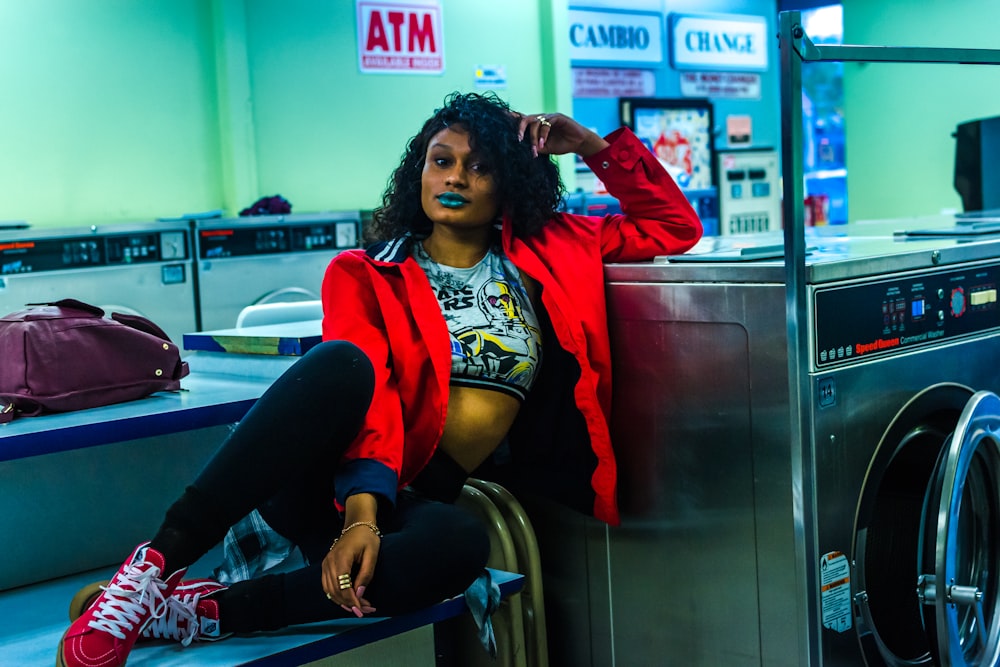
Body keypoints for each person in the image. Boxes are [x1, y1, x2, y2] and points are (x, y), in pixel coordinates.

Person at [56, 91, 702, 667]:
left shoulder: (557, 247)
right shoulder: (367, 271)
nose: (456, 178)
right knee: (344, 365)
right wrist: (362, 515)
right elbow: (375, 405)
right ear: (417, 170)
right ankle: (153, 567)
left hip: (424, 488)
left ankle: (206, 612)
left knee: (459, 545)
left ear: (509, 183)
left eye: (480, 167)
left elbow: (676, 227)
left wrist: (590, 144)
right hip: (332, 479)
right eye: (441, 160)